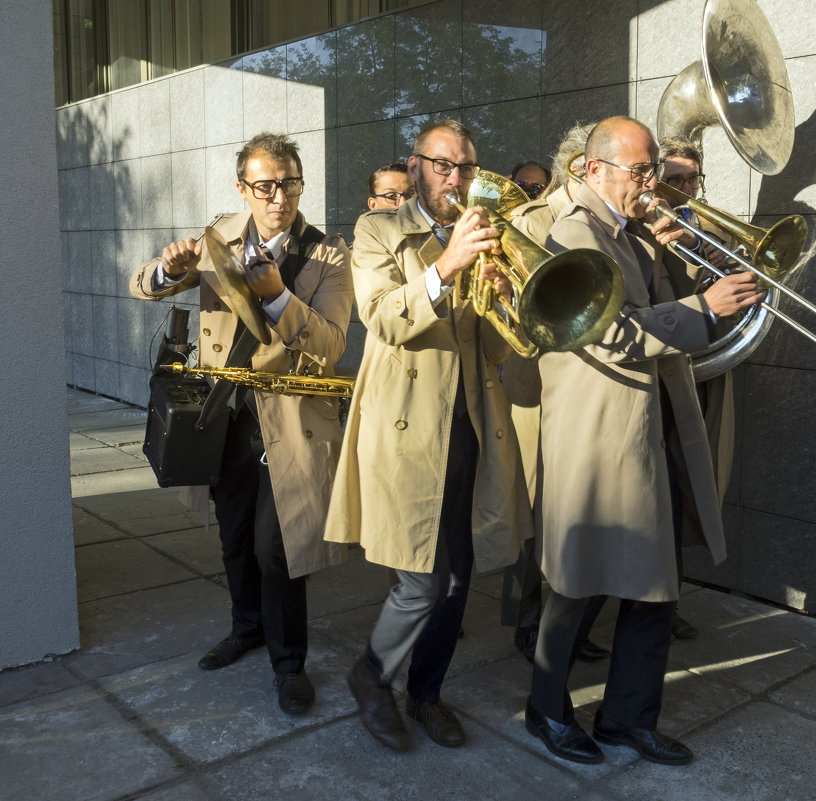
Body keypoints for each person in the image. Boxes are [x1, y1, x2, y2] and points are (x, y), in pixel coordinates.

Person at [525, 116, 764, 766]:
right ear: (592, 169)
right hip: (598, 436)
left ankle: (628, 715)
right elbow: (615, 335)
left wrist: (681, 261)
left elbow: (667, 315)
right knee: (577, 585)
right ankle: (545, 708)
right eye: (640, 170)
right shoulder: (576, 231)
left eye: (652, 168)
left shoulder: (627, 232)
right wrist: (707, 306)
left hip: (642, 431)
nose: (651, 181)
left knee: (656, 582)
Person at [323, 119, 531, 752]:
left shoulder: (487, 236)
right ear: (414, 168)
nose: (457, 179)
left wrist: (502, 298)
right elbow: (383, 318)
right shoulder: (377, 230)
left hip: (469, 422)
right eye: (443, 166)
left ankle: (427, 693)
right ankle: (372, 675)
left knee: (460, 580)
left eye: (466, 167)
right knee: (421, 579)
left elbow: (496, 349)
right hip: (408, 425)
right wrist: (446, 266)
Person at [129, 132, 354, 715]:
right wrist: (165, 268)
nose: (279, 197)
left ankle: (289, 663)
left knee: (278, 547)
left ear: (301, 184)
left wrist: (279, 296)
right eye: (265, 186)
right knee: (233, 537)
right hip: (222, 411)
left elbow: (330, 343)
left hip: (291, 417)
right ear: (243, 188)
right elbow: (143, 286)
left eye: (290, 185)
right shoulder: (216, 238)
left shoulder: (328, 253)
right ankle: (246, 627)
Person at [499, 123, 609, 664]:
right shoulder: (531, 219)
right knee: (534, 507)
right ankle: (526, 620)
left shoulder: (605, 220)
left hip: (584, 385)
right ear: (580, 168)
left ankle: (565, 621)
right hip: (535, 385)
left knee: (573, 511)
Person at [656, 134, 737, 641]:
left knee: (686, 493)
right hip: (658, 373)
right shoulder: (643, 230)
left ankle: (667, 602)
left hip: (702, 375)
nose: (686, 189)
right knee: (657, 496)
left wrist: (718, 253)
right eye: (675, 180)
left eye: (692, 179)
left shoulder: (709, 226)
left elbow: (743, 284)